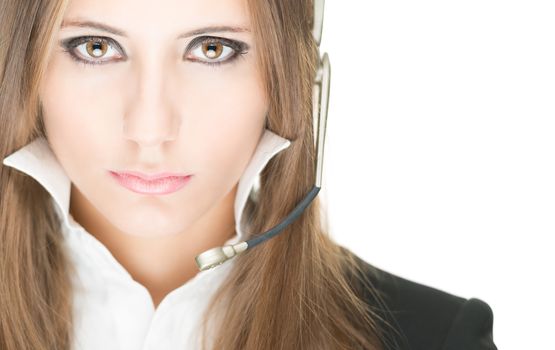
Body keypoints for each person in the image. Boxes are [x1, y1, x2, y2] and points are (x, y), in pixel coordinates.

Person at [0, 0, 497, 349]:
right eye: (95, 46)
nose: (150, 130)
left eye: (212, 49)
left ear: (300, 79)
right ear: (23, 64)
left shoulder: (433, 339)